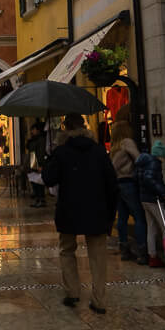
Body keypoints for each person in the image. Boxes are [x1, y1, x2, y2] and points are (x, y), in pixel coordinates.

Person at [42, 114, 118, 314]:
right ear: (84, 127)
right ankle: (99, 300)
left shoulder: (62, 152)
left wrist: (51, 156)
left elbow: (48, 179)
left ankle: (72, 292)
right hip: (97, 210)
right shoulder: (99, 151)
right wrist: (111, 214)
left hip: (70, 209)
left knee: (67, 250)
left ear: (66, 128)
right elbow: (112, 184)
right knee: (98, 255)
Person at [110, 120, 148, 264]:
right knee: (139, 216)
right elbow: (138, 158)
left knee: (122, 218)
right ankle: (142, 251)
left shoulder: (115, 147)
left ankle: (124, 248)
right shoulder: (127, 142)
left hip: (118, 184)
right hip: (128, 183)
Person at [136, 140, 165, 269]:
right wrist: (162, 192)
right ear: (161, 155)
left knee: (151, 228)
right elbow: (149, 179)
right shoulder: (154, 163)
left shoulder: (144, 162)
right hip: (153, 199)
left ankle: (152, 257)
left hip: (144, 199)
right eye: (164, 156)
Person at [25, 123, 47, 208]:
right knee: (34, 181)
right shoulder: (33, 139)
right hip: (33, 161)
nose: (31, 131)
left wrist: (40, 164)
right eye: (31, 129)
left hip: (37, 162)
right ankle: (38, 199)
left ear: (38, 130)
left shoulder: (40, 139)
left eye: (33, 129)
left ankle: (41, 199)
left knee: (38, 182)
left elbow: (40, 152)